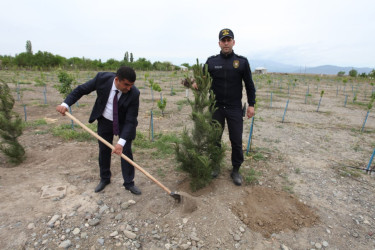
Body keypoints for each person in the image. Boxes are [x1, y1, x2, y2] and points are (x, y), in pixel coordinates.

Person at [56, 66, 141, 195]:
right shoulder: (102, 78)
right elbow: (81, 90)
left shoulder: (134, 93)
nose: (129, 88)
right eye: (126, 84)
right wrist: (65, 104)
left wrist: (120, 144)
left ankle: (129, 183)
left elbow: (131, 120)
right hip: (105, 119)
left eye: (131, 85)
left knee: (126, 151)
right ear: (117, 79)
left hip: (124, 123)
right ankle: (105, 178)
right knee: (104, 150)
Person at [193, 28, 256, 186]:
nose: (226, 43)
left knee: (235, 140)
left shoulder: (242, 62)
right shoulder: (212, 62)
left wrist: (251, 105)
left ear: (233, 42)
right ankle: (215, 165)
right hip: (216, 107)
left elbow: (249, 85)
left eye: (229, 40)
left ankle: (235, 169)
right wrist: (194, 83)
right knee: (215, 139)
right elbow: (201, 80)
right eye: (223, 40)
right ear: (219, 43)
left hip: (235, 107)